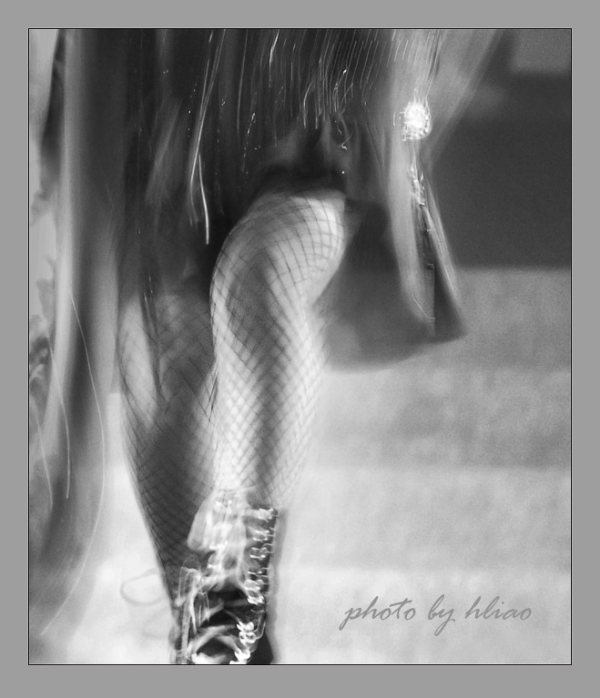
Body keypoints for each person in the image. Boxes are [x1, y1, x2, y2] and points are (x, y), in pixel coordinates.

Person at [29, 28, 497, 664]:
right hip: (166, 73)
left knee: (260, 272)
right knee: (165, 341)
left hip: (308, 65)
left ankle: (228, 604)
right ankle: (213, 642)